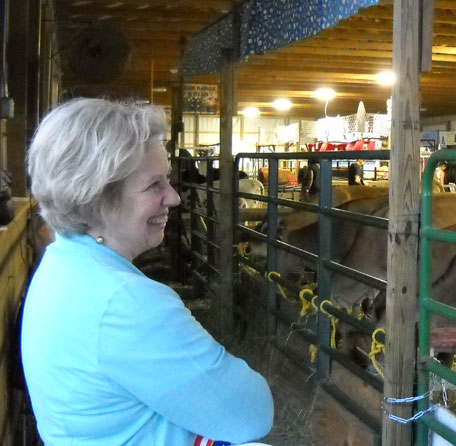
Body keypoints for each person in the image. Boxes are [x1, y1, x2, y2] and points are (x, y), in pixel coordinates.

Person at [23, 98, 274, 445]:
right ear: (98, 197)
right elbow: (253, 412)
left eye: (167, 180)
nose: (174, 198)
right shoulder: (125, 302)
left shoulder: (62, 262)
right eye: (154, 184)